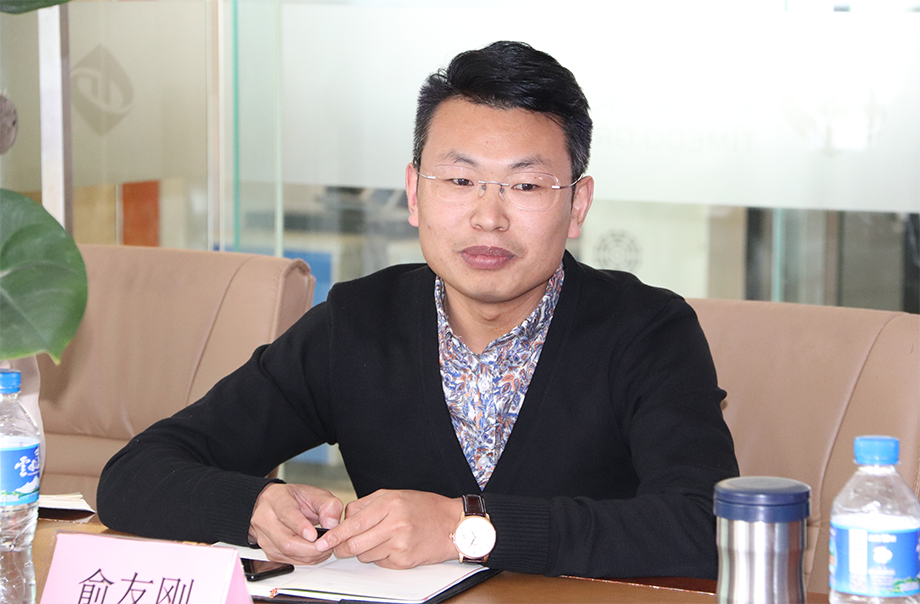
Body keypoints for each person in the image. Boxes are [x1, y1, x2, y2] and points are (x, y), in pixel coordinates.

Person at [97, 40, 738, 580]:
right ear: (413, 193)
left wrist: (466, 528)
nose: (488, 217)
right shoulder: (357, 324)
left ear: (577, 205)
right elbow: (135, 475)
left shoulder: (646, 329)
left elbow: (706, 525)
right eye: (459, 181)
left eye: (525, 185)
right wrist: (254, 504)